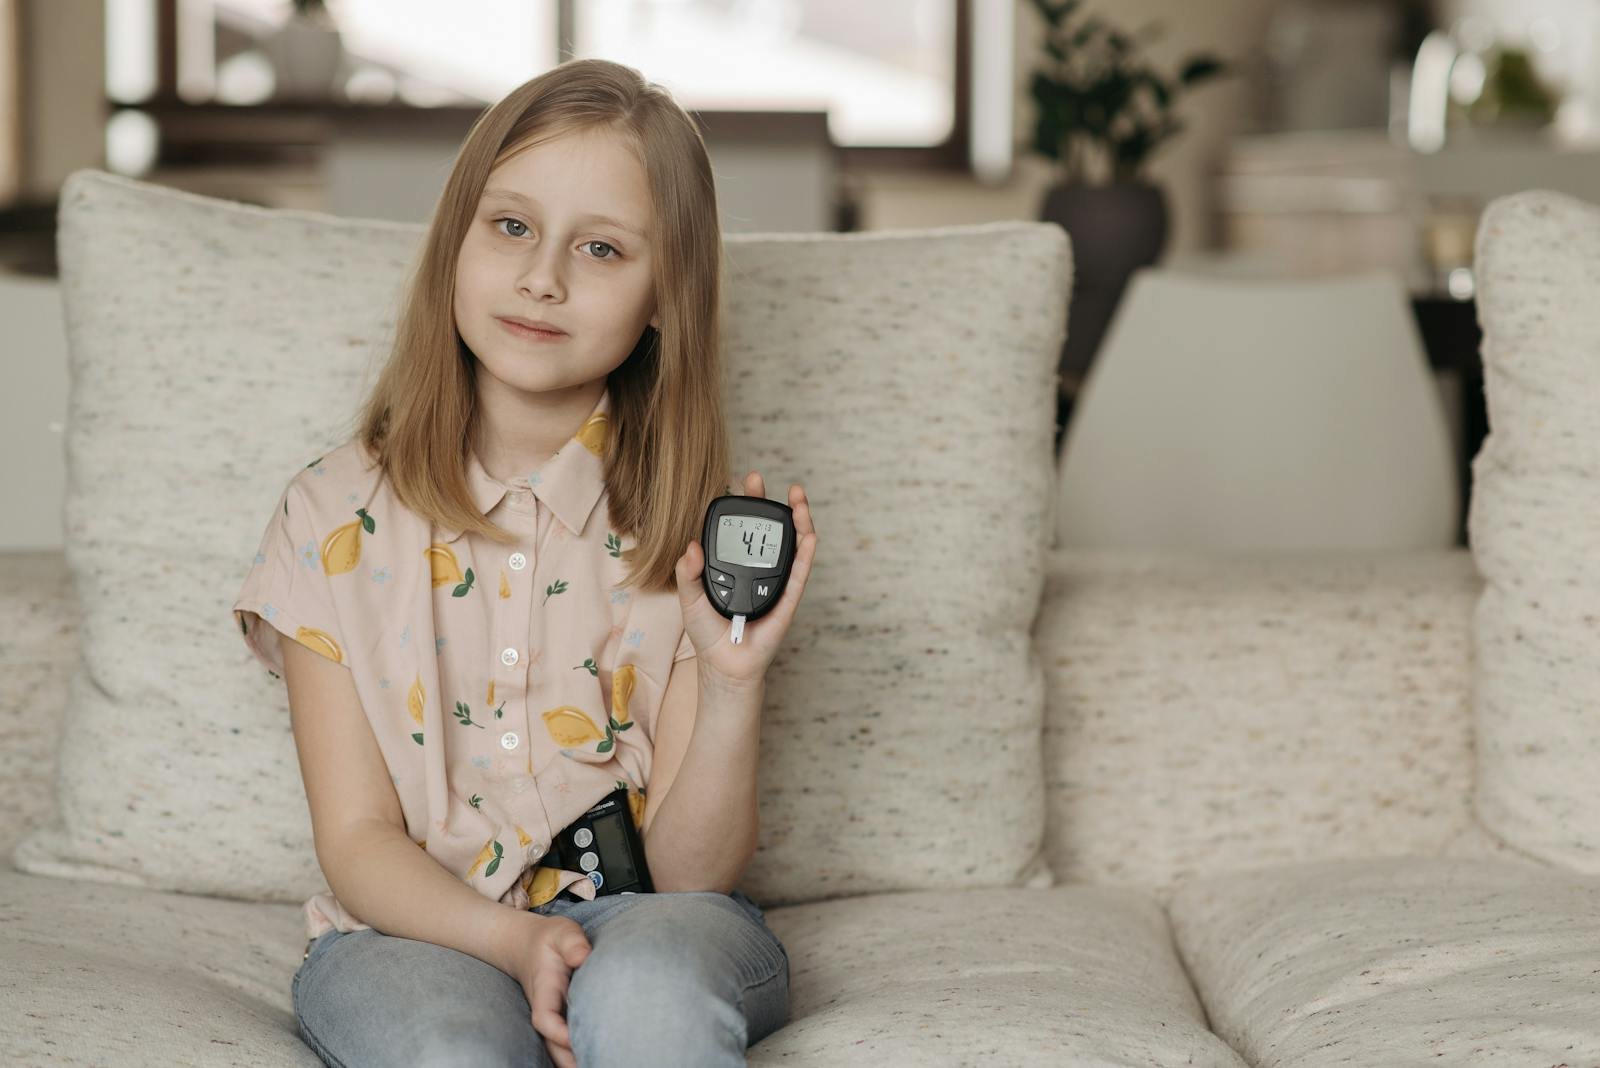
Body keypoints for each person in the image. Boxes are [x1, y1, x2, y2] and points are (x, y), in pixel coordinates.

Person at [230, 56, 820, 1068]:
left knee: (649, 999)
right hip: (410, 933)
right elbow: (360, 838)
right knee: (445, 1050)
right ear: (453, 241)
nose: (543, 277)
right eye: (511, 227)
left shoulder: (688, 533)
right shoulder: (330, 516)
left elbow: (690, 874)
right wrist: (513, 939)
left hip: (646, 925)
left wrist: (731, 686)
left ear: (665, 295)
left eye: (600, 248)